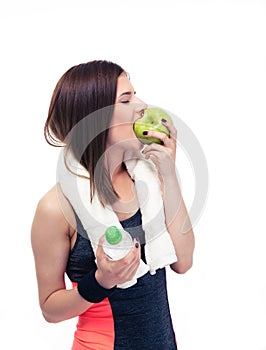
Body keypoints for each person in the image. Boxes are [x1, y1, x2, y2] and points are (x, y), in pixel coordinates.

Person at [31, 60, 195, 350]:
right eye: (126, 99)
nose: (142, 105)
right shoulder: (55, 209)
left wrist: (169, 172)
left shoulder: (150, 180)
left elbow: (183, 262)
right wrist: (100, 281)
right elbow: (50, 308)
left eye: (136, 94)